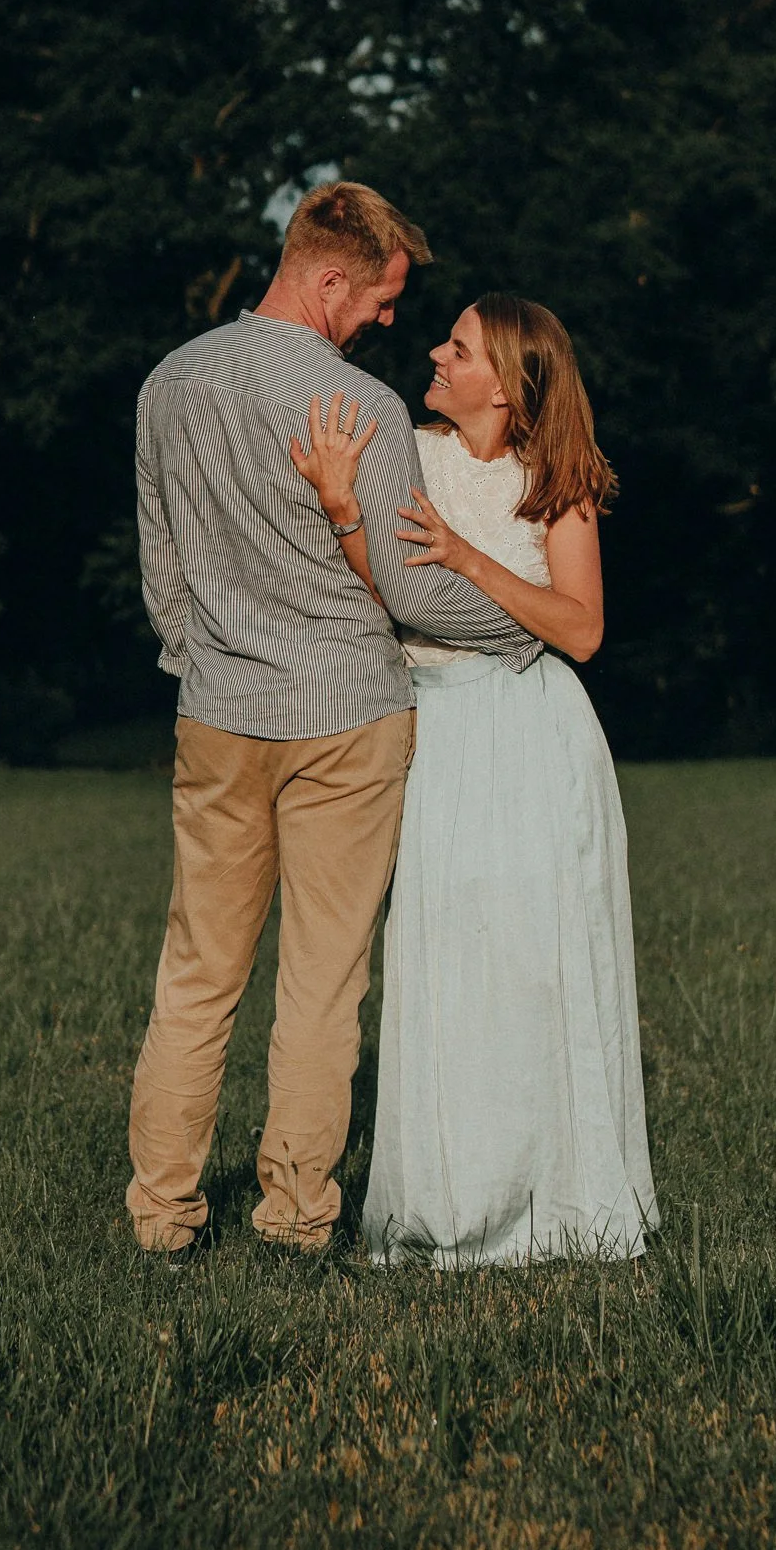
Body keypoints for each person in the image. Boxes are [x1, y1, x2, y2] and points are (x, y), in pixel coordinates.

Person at [128, 185, 540, 1257]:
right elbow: (410, 591)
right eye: (385, 298)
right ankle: (296, 1220)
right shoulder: (359, 407)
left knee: (196, 972)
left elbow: (163, 573)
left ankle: (163, 1216)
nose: (390, 321)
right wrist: (518, 624)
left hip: (218, 715)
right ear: (328, 282)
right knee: (321, 982)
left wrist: (209, 665)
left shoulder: (168, 384)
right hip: (348, 721)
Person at [290, 293, 656, 1265]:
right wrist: (340, 510)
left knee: (539, 960)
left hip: (532, 730)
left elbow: (579, 629)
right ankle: (454, 1202)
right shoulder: (409, 454)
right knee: (446, 958)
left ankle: (559, 1202)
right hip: (436, 728)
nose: (435, 354)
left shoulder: (558, 482)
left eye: (456, 348)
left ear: (506, 381)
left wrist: (469, 559)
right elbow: (388, 599)